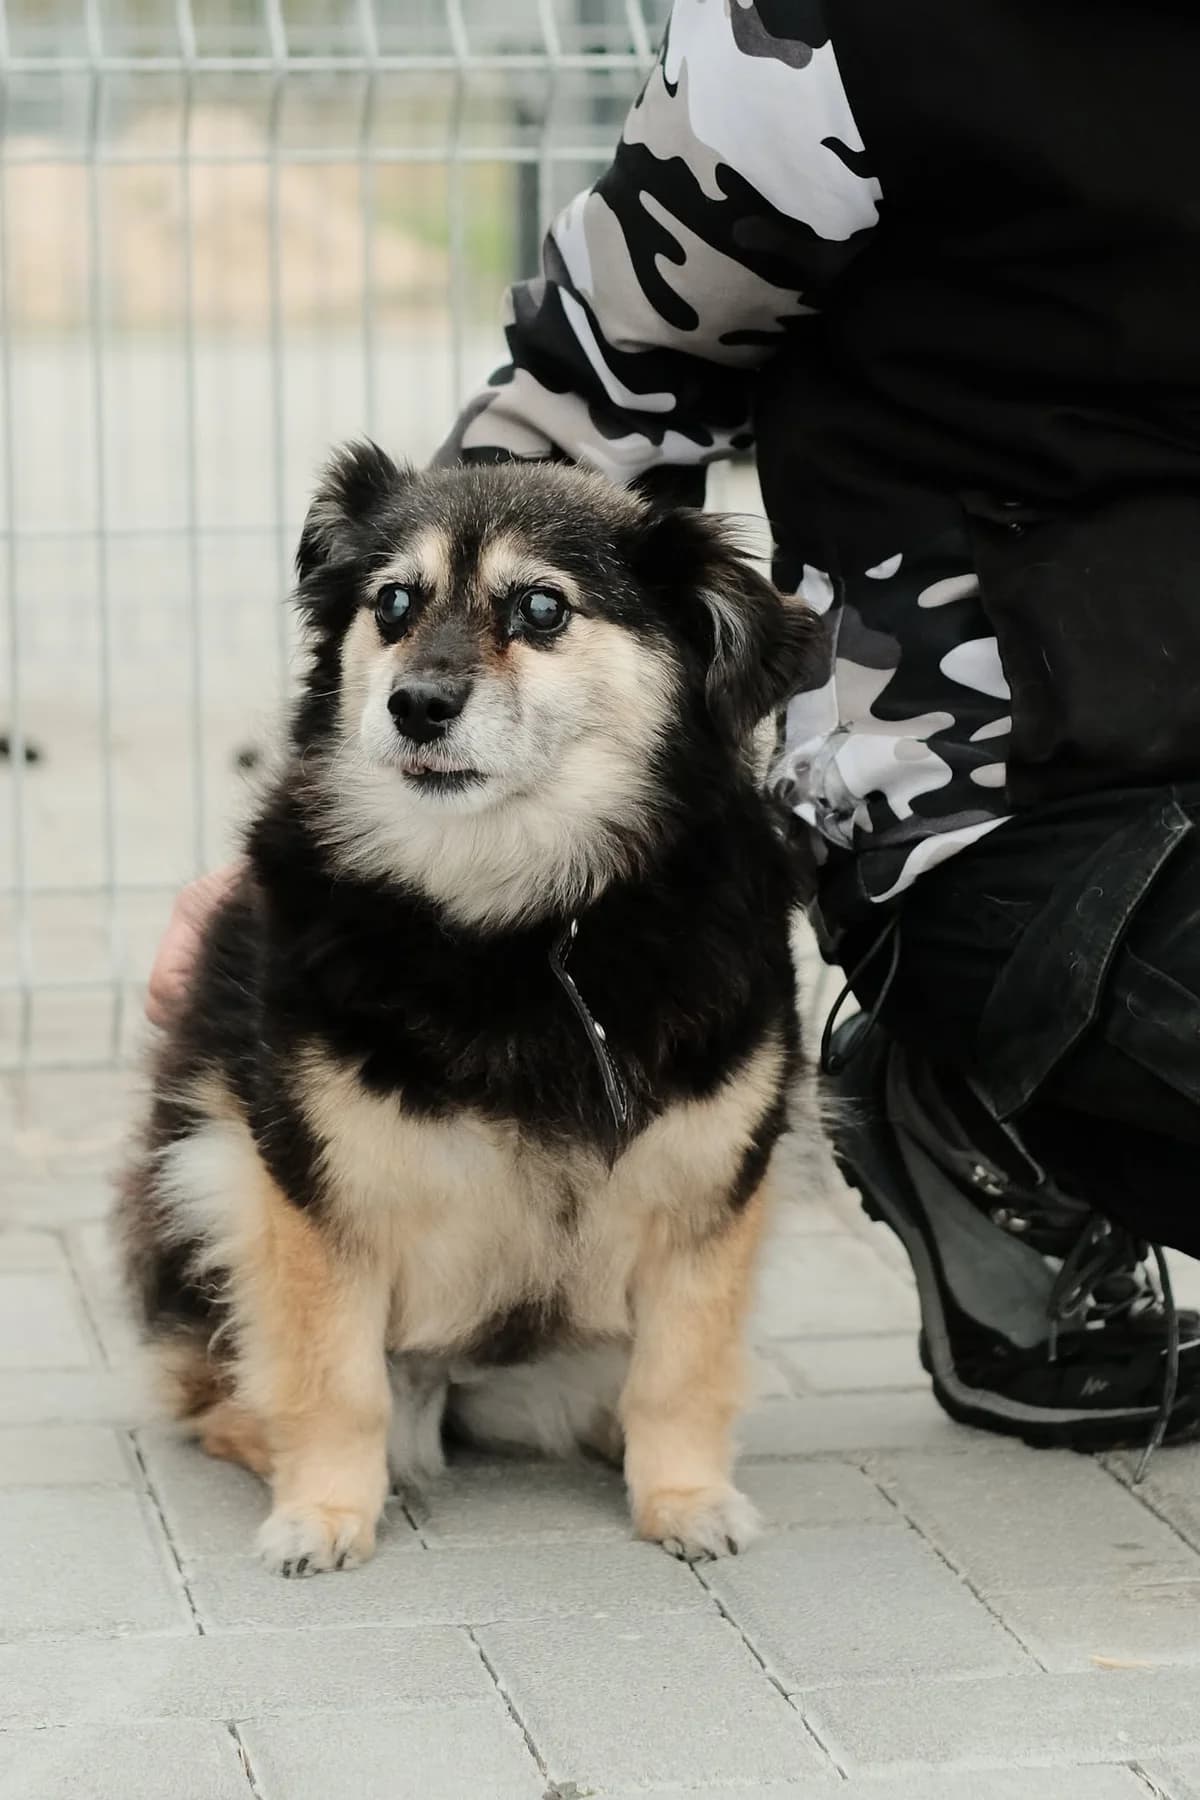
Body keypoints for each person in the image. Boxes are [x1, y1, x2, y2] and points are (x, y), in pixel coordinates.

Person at [149, 0, 1200, 1457]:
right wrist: (334, 822)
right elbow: (575, 417)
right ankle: (977, 1099)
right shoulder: (856, 30)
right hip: (1018, 761)